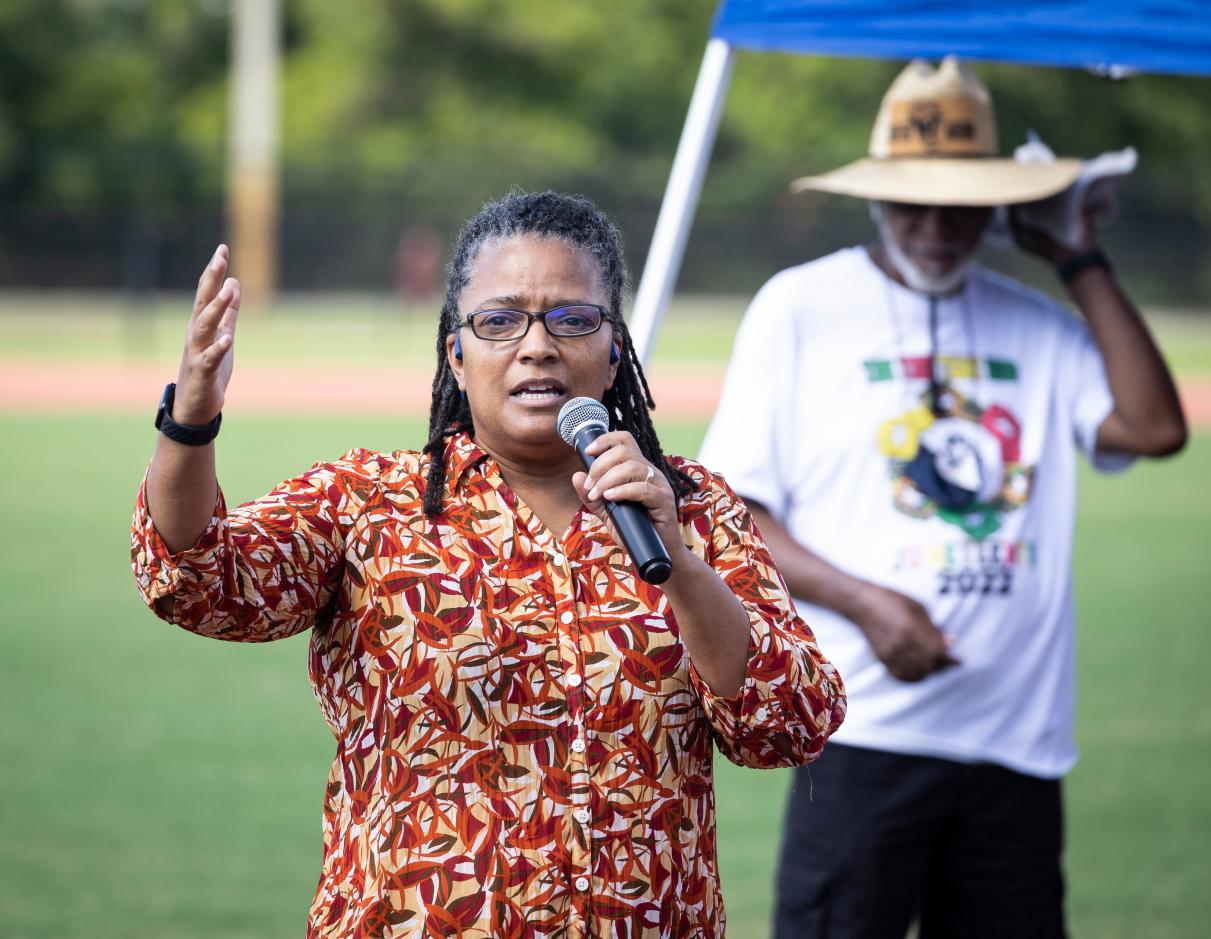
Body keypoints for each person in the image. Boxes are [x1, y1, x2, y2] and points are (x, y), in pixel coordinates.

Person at [131, 190, 846, 938]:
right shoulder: (370, 505)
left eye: (572, 318)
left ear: (614, 351)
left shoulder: (694, 509)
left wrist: (683, 567)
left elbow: (790, 724)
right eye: (499, 321)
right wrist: (190, 419)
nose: (536, 345)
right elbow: (195, 578)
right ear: (456, 353)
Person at [699, 58, 1187, 938]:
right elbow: (736, 516)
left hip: (1015, 743)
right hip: (861, 738)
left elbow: (1155, 427)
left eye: (959, 205)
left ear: (995, 208)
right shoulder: (801, 307)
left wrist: (1077, 255)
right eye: (912, 202)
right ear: (876, 196)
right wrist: (869, 603)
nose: (934, 227)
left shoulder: (1033, 322)